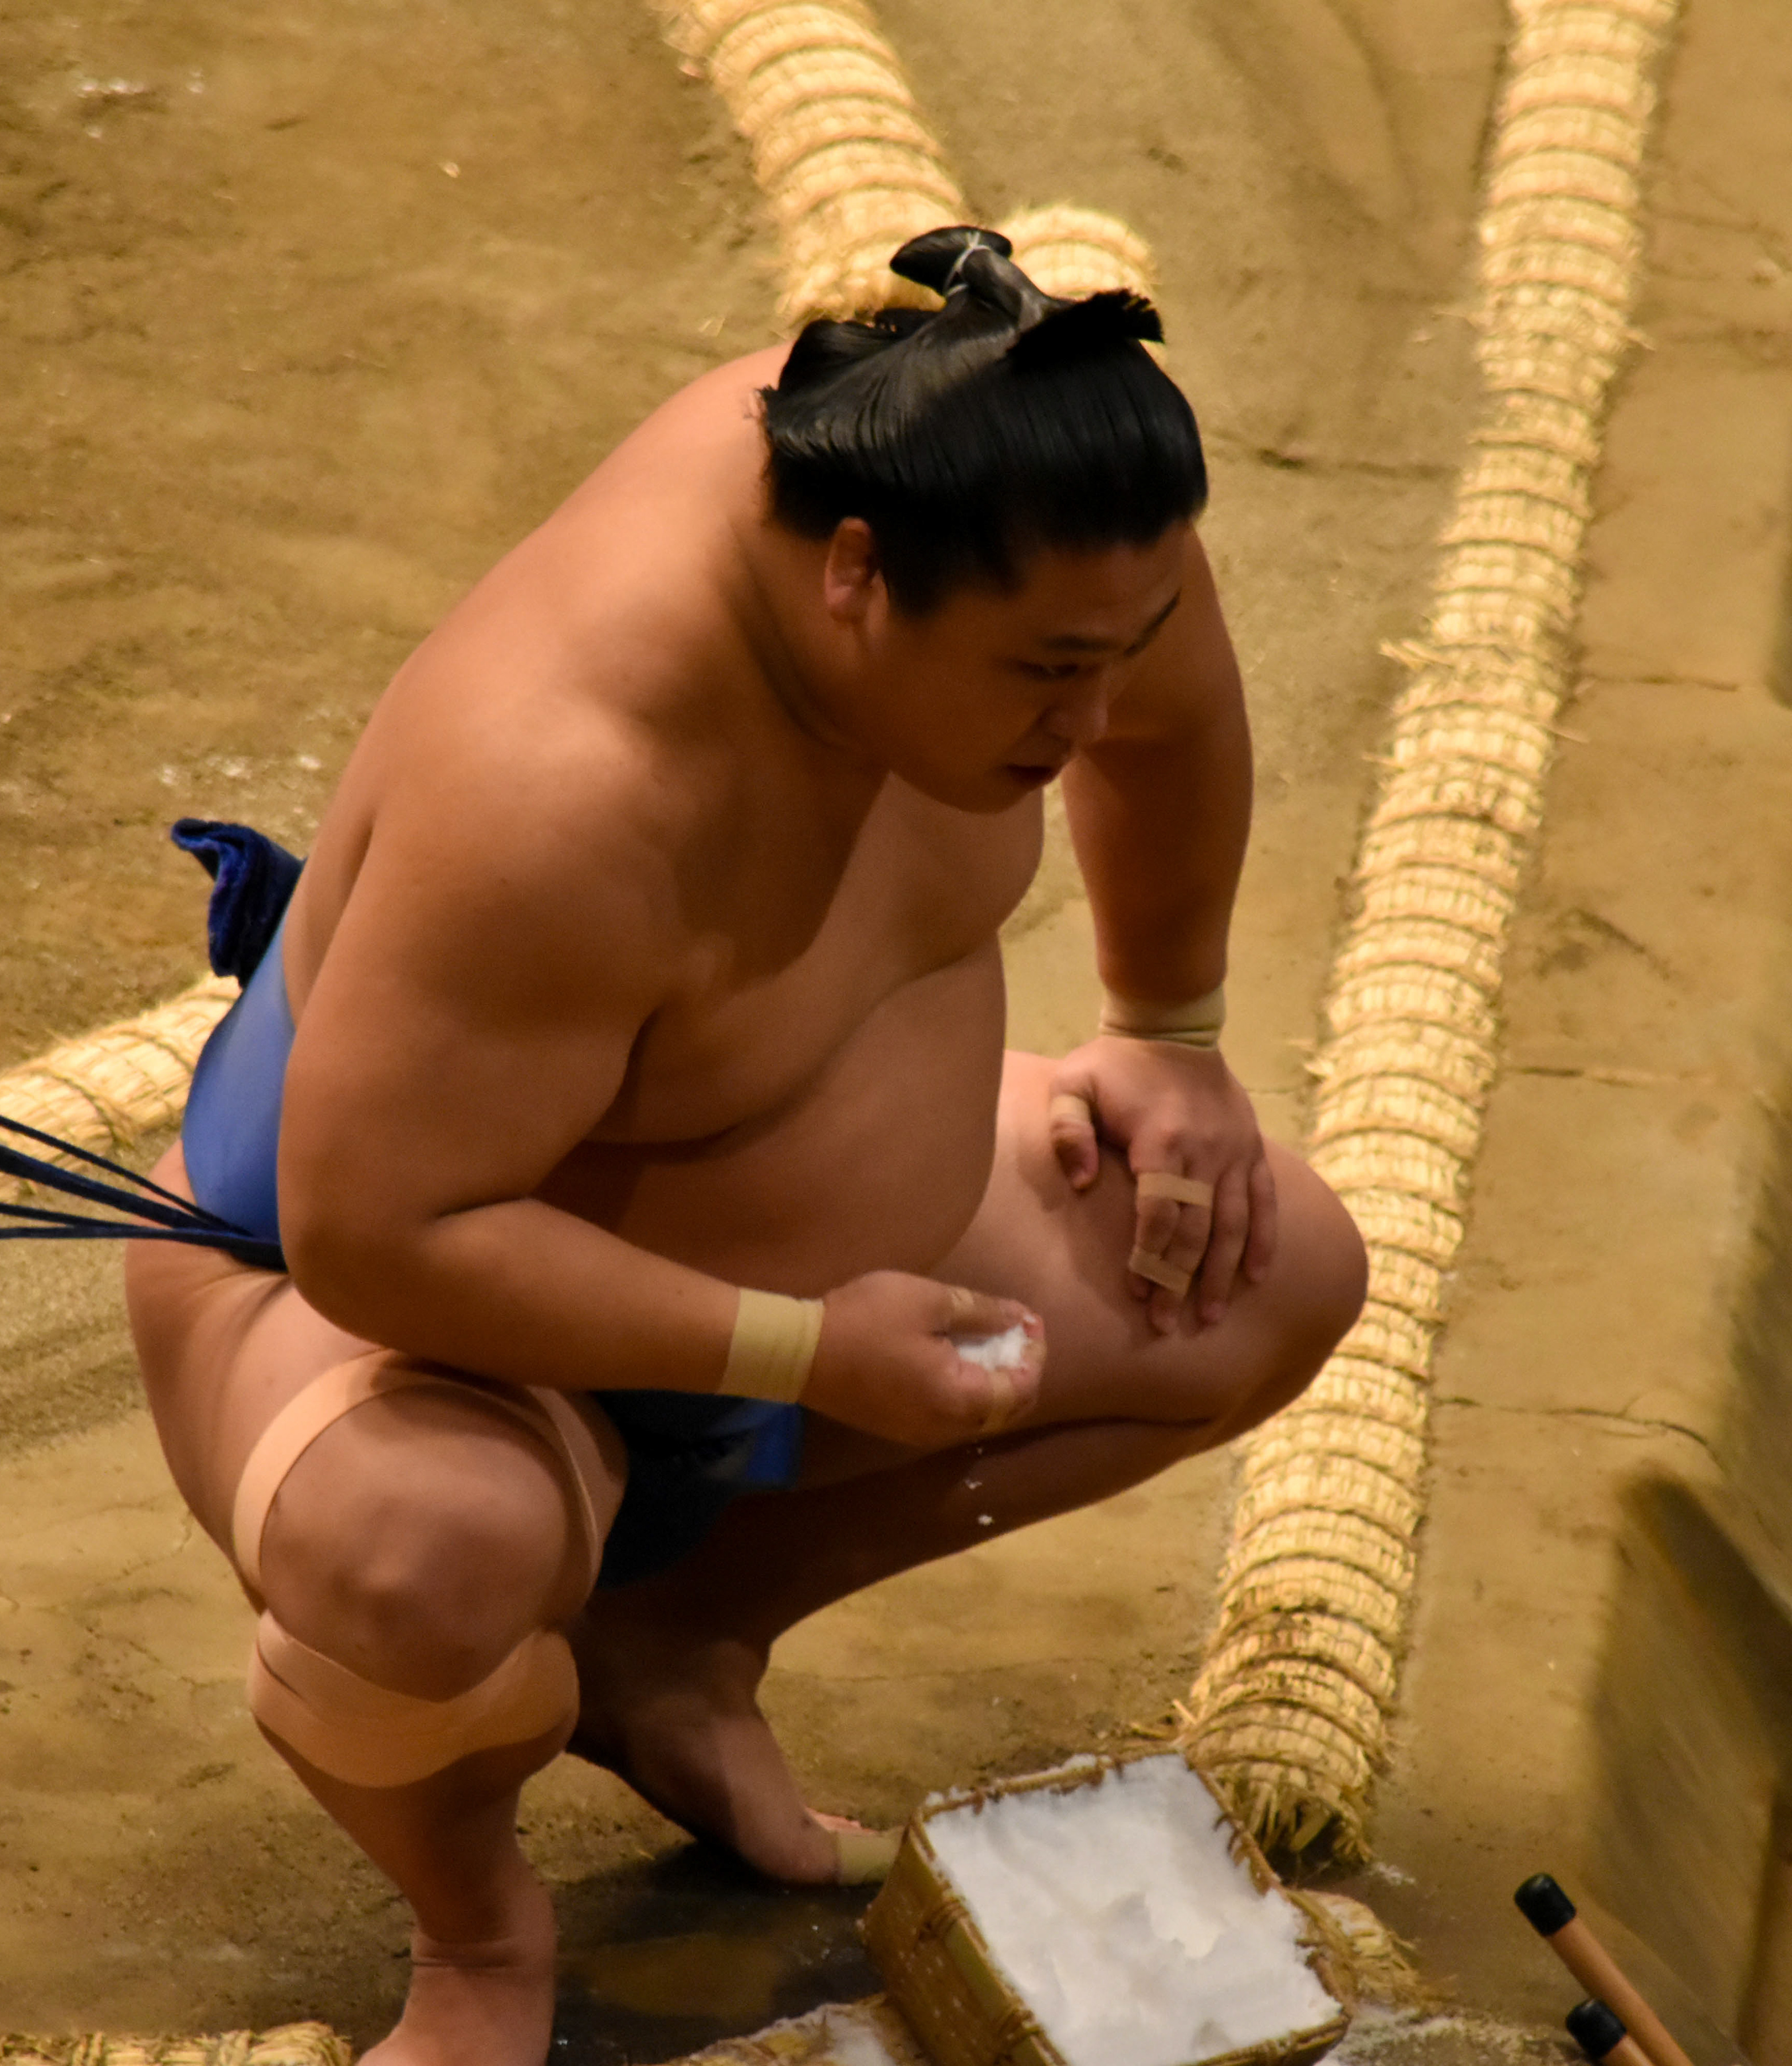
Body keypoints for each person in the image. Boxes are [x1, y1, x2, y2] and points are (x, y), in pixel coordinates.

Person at [123, 225, 1369, 2066]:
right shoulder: (569, 779)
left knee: (1264, 1270)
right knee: (418, 1560)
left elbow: (1167, 708)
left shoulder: (1020, 516)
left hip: (824, 1267)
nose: (1091, 718)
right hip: (426, 1310)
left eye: (1118, 649)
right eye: (1046, 677)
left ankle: (675, 1645)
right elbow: (378, 1231)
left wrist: (1166, 1033)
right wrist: (797, 1346)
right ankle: (477, 1939)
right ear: (858, 579)